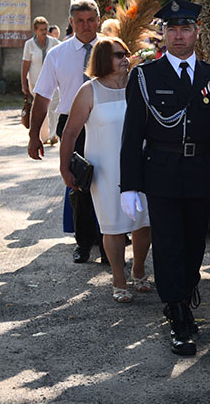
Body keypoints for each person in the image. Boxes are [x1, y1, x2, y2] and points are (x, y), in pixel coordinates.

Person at [120, 0, 210, 356]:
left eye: (185, 28)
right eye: (171, 29)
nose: (178, 35)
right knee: (169, 245)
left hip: (200, 171)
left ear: (196, 33)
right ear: (163, 34)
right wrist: (129, 185)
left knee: (195, 245)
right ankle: (177, 313)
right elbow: (132, 136)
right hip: (162, 172)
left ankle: (186, 291)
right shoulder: (145, 77)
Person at [58, 37, 152, 301]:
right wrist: (65, 168)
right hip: (105, 170)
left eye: (126, 53)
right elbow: (70, 133)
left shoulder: (140, 85)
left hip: (140, 166)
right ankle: (119, 281)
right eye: (117, 54)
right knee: (113, 226)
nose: (125, 58)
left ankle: (139, 271)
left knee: (144, 223)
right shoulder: (89, 91)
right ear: (102, 59)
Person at [28, 0, 102, 264]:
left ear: (98, 19)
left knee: (109, 183)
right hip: (73, 125)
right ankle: (83, 243)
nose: (86, 26)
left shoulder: (111, 49)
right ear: (71, 22)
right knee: (78, 183)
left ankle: (109, 245)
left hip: (107, 125)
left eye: (90, 20)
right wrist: (33, 135)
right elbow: (43, 97)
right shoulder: (57, 54)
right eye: (80, 21)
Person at [22, 16, 60, 145]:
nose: (44, 31)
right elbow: (25, 65)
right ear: (35, 30)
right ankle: (42, 136)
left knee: (54, 106)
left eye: (45, 29)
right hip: (36, 82)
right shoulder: (29, 45)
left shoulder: (54, 43)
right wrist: (24, 83)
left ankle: (53, 134)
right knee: (39, 107)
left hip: (53, 81)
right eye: (41, 29)